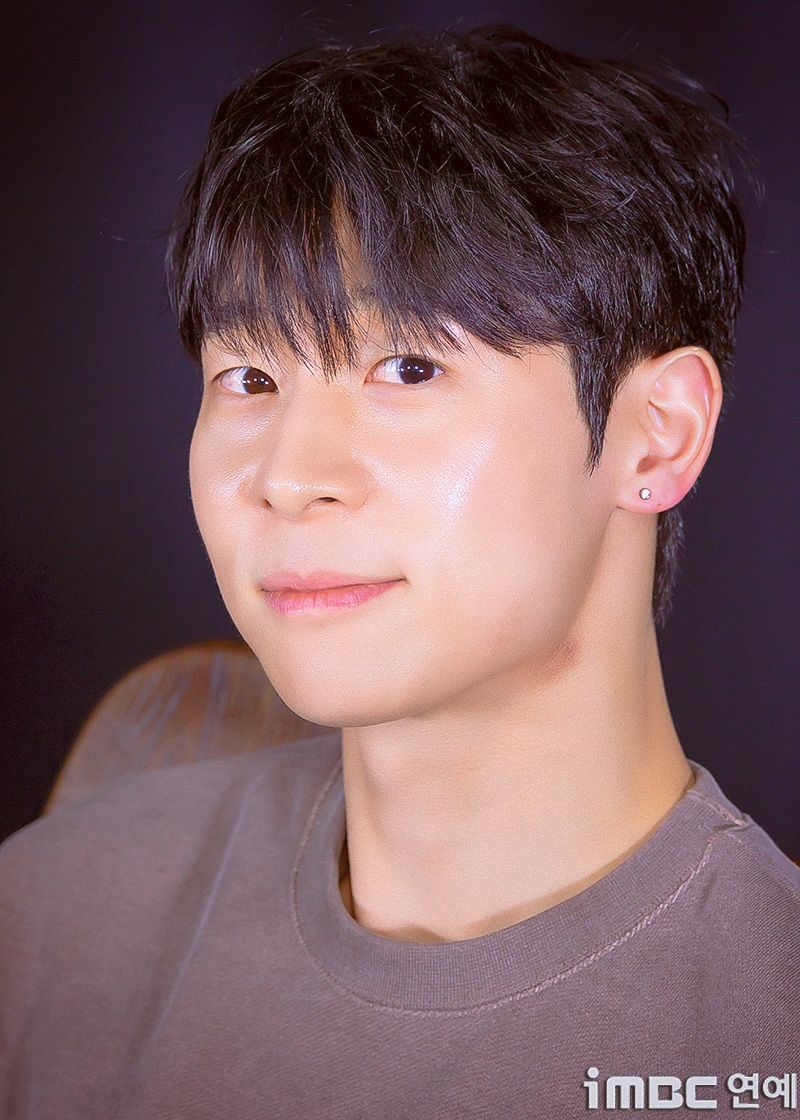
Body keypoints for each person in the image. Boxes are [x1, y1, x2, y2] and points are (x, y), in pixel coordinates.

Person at [1, 24, 798, 1119]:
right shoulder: (51, 914)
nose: (289, 477)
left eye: (409, 366)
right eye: (248, 377)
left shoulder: (765, 1027)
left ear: (655, 435)